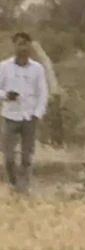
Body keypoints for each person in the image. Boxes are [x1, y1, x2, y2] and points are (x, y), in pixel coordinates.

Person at [0, 31, 48, 195]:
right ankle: (13, 182)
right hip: (10, 115)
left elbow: (43, 92)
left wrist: (38, 114)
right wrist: (6, 95)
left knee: (27, 157)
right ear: (14, 46)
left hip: (29, 116)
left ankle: (23, 189)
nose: (23, 47)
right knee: (8, 157)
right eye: (19, 44)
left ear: (30, 46)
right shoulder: (4, 67)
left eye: (26, 44)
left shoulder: (37, 69)